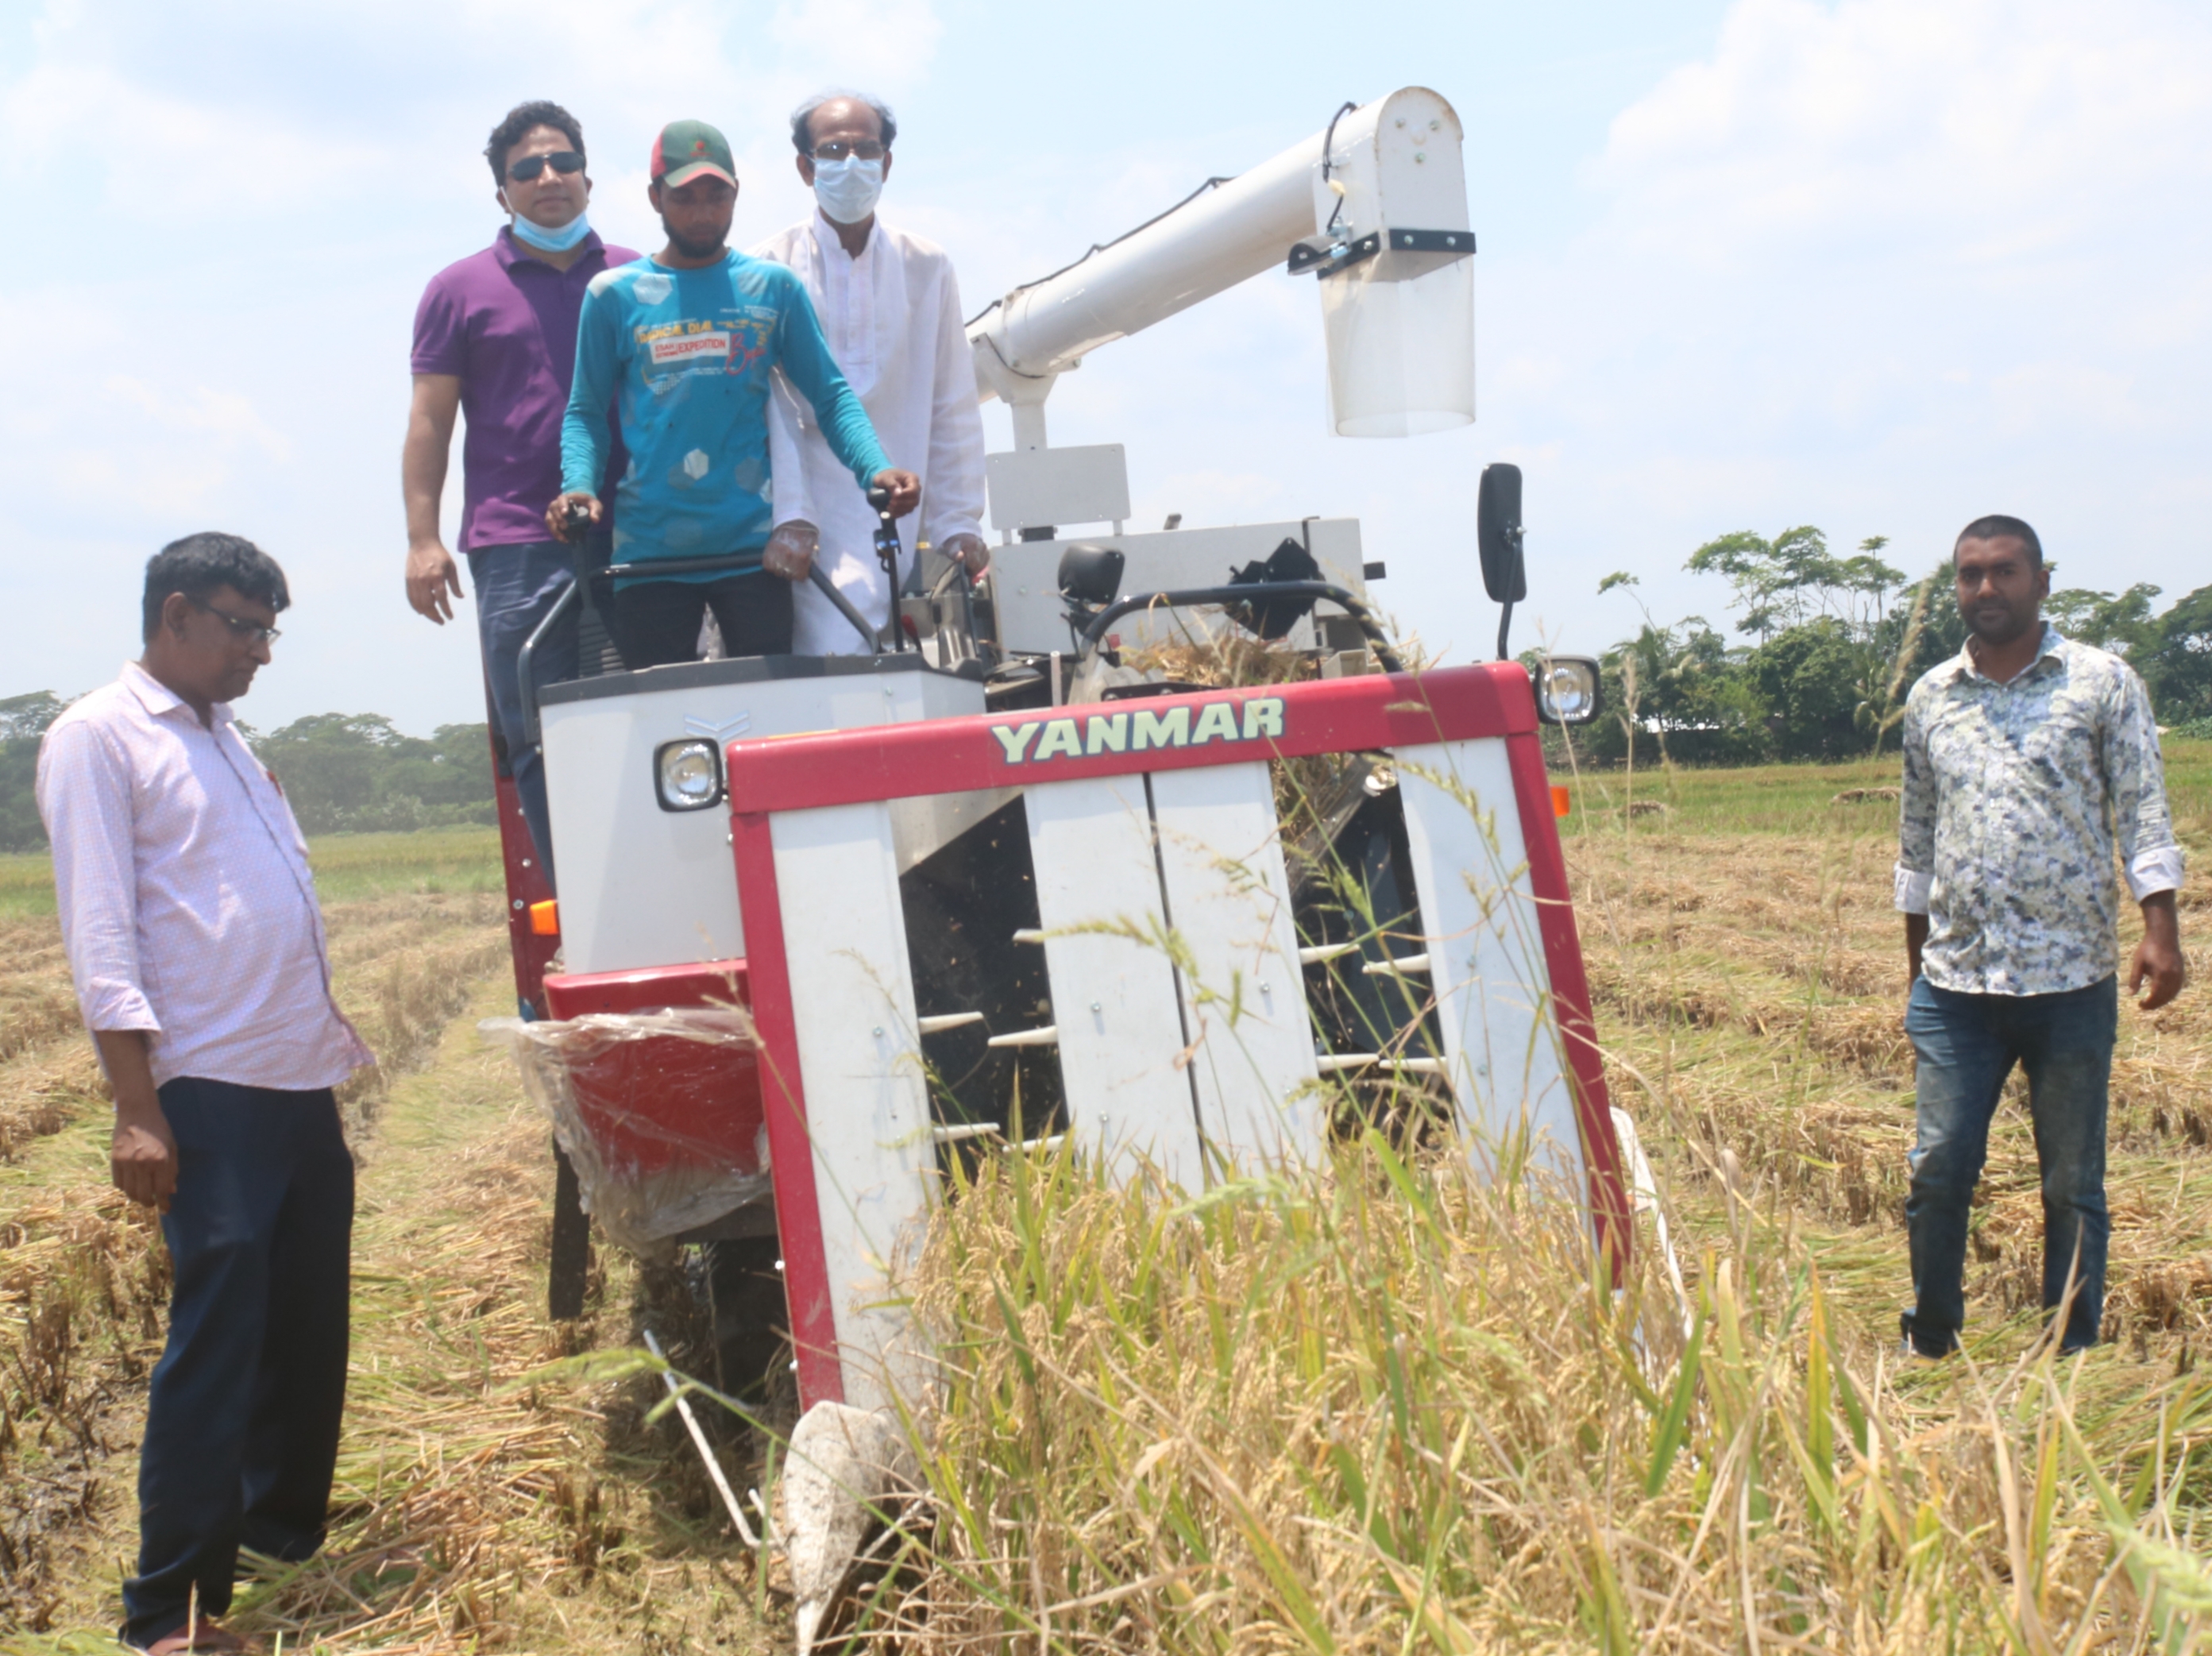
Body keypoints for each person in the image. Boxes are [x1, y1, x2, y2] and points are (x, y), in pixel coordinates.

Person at [37, 535, 373, 1655]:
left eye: (270, 632)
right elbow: (102, 934)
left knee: (305, 1321)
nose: (260, 652)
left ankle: (279, 1529)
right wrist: (138, 1108)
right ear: (175, 615)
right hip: (208, 1082)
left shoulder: (223, 733)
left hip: (294, 1071)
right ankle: (169, 1612)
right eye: (243, 627)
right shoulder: (98, 737)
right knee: (220, 1340)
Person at [1895, 514, 2186, 1360]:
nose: (1985, 587)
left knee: (2071, 1184)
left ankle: (2070, 1349)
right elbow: (1916, 841)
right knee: (1938, 1167)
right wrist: (1916, 973)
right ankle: (1931, 1338)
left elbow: (2141, 810)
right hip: (1956, 985)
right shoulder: (1931, 696)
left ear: (2040, 581)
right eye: (1969, 574)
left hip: (2070, 983)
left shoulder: (2100, 682)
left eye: (2004, 571)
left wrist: (2160, 930)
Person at [549, 118, 920, 670]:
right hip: (649, 554)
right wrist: (578, 486)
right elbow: (585, 413)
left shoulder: (771, 288)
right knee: (662, 712)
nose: (702, 212)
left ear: (736, 195)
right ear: (655, 198)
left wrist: (876, 469)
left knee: (767, 711)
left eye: (716, 196)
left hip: (753, 554)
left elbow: (830, 396)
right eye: (684, 197)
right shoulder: (614, 296)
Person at [404, 100, 639, 886]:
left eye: (563, 161)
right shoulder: (457, 289)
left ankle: (670, 899)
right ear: (501, 192)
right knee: (538, 733)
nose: (548, 177)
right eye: (527, 169)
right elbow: (430, 421)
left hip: (644, 532)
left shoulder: (639, 275)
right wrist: (422, 539)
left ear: (589, 178)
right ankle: (585, 906)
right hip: (516, 546)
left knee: (659, 717)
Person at [755, 91, 990, 653]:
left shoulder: (926, 265)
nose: (852, 164)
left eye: (866, 150)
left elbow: (951, 401)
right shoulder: (767, 268)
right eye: (834, 151)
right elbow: (770, 406)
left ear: (887, 163)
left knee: (867, 654)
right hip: (799, 510)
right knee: (827, 651)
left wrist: (958, 521)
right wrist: (790, 513)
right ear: (805, 167)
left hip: (895, 507)